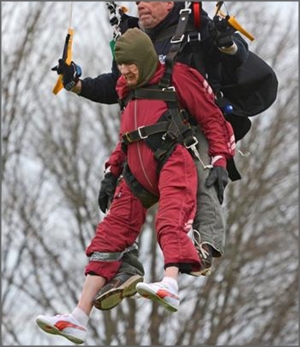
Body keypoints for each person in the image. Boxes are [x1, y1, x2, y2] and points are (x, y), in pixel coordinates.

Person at [36, 27, 235, 345]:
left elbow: (213, 119)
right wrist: (111, 172)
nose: (126, 70)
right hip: (135, 171)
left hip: (173, 159)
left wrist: (221, 161)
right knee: (108, 235)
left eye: (131, 64)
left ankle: (169, 285)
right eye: (121, 64)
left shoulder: (178, 77)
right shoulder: (125, 89)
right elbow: (127, 135)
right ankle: (78, 317)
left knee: (170, 221)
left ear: (144, 60)